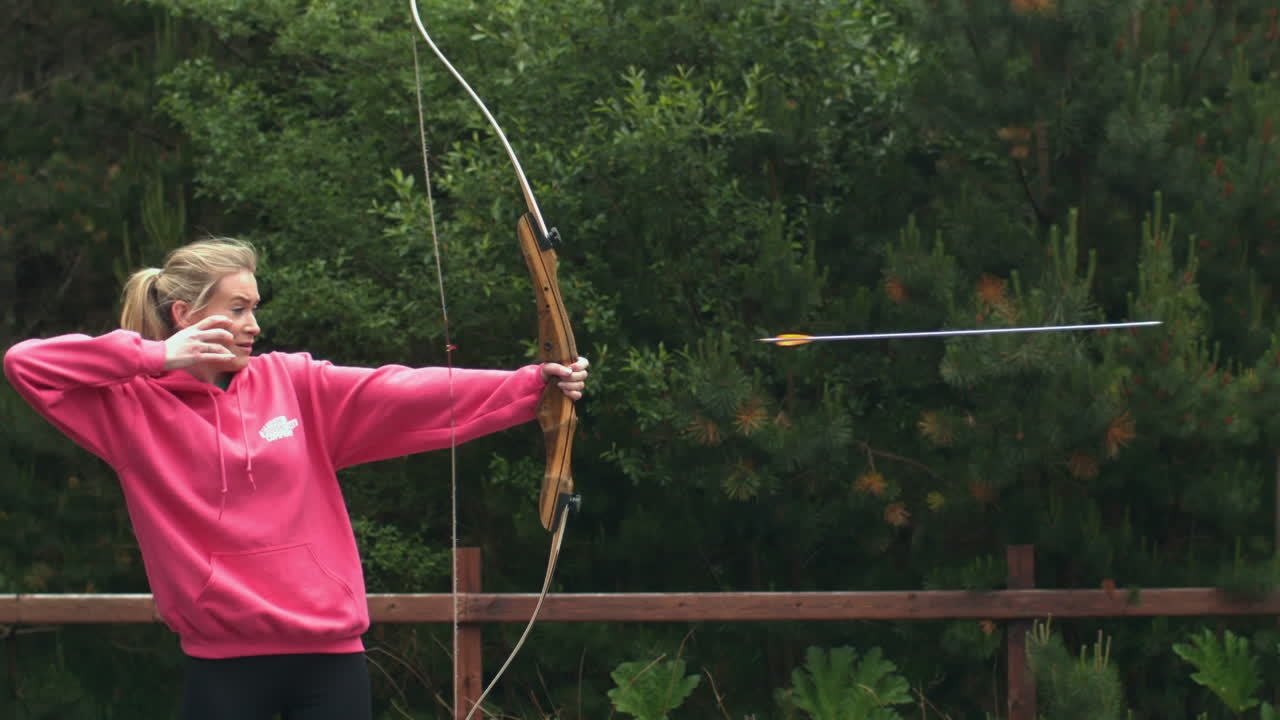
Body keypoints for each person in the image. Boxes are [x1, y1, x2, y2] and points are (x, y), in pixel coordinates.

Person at [2, 237, 589, 720]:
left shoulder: (294, 383)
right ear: (184, 316)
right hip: (222, 662)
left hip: (329, 657)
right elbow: (26, 364)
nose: (253, 324)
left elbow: (402, 389)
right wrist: (155, 358)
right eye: (236, 308)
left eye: (254, 307)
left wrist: (533, 384)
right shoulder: (129, 407)